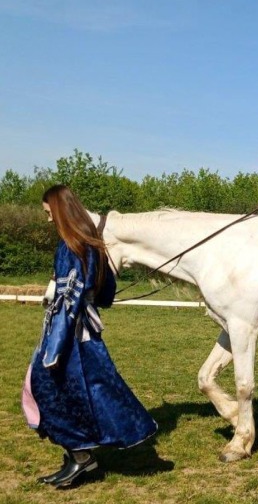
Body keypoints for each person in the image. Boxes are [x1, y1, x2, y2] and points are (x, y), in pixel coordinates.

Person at [23, 185, 157, 488]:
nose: (47, 220)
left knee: (44, 390)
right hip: (83, 333)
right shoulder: (93, 243)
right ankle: (78, 455)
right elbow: (106, 291)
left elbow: (68, 298)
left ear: (59, 210)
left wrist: (53, 347)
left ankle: (81, 456)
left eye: (48, 213)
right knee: (90, 392)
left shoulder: (72, 245)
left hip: (70, 334)